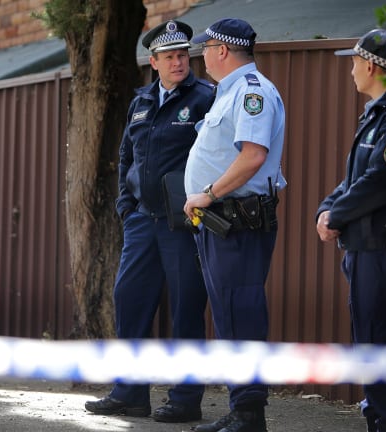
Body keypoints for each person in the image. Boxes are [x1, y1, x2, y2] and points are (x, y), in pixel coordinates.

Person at [83, 20, 214, 423]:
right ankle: (130, 393)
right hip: (142, 221)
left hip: (184, 223)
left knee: (187, 308)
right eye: (170, 57)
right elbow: (126, 158)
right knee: (130, 301)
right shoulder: (140, 102)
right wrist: (127, 207)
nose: (178, 62)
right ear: (153, 61)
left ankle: (185, 398)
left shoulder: (207, 97)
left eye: (183, 55)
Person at [315, 29, 386, 432]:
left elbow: (380, 181)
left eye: (353, 62)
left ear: (369, 65)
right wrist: (328, 208)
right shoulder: (377, 114)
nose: (349, 71)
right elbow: (355, 179)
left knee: (384, 340)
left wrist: (336, 215)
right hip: (364, 247)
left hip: (385, 248)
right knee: (368, 339)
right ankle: (378, 419)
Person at [183, 18, 286, 432]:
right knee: (228, 314)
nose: (202, 54)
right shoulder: (230, 92)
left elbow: (253, 156)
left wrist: (207, 193)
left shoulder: (251, 92)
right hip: (221, 223)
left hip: (237, 223)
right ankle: (241, 408)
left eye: (205, 47)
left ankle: (249, 413)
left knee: (241, 314)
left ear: (222, 50)